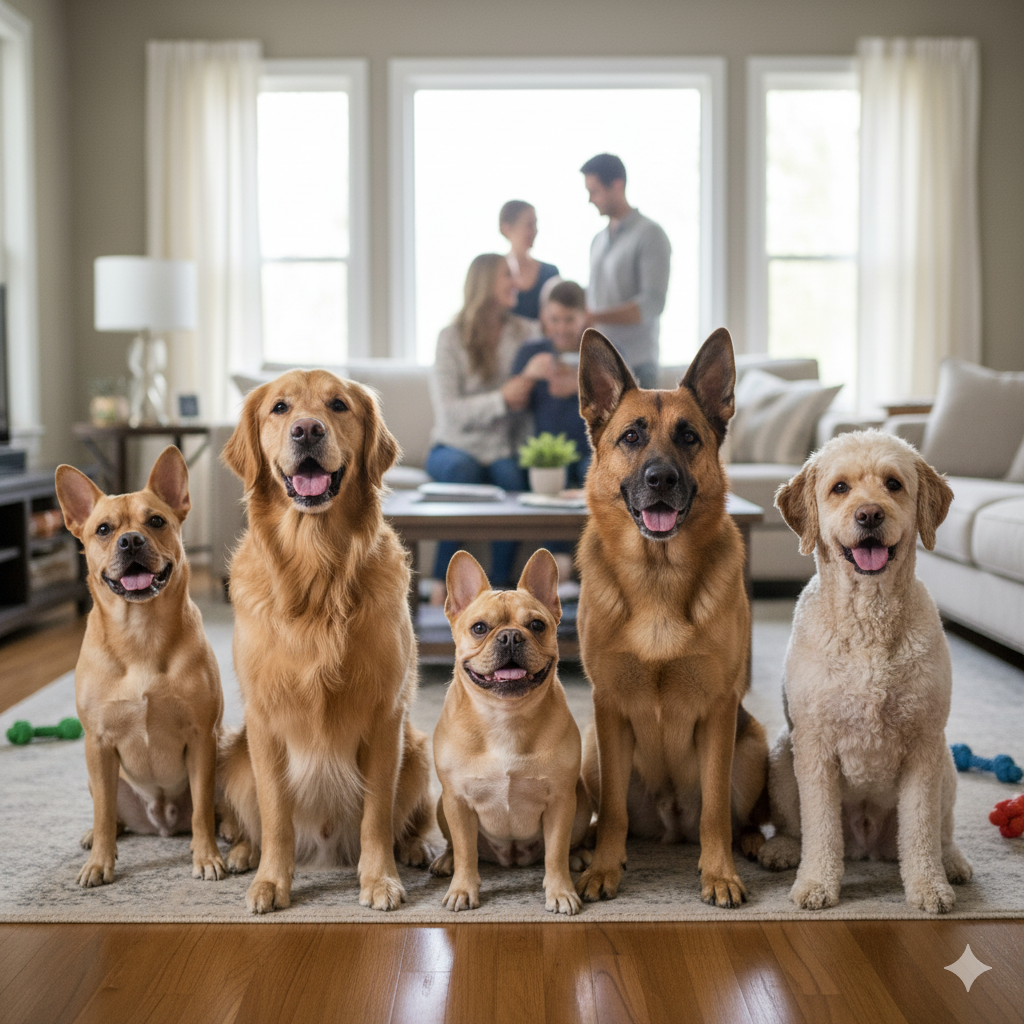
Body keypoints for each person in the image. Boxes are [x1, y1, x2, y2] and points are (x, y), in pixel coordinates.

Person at [426, 253, 550, 599]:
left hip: (501, 447)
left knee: (510, 477)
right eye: (507, 276)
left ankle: (501, 590)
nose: (517, 283)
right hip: (453, 446)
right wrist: (502, 399)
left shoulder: (525, 332)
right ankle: (443, 586)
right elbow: (449, 413)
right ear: (484, 284)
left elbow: (560, 336)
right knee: (462, 471)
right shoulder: (450, 338)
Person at [580, 153, 671, 389]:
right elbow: (597, 292)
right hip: (601, 363)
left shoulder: (650, 234)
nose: (590, 199)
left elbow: (652, 303)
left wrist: (596, 316)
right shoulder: (598, 240)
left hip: (637, 363)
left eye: (595, 191)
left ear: (617, 185)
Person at [511, 280, 591, 488]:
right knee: (516, 472)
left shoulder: (601, 353)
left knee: (592, 472)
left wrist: (579, 385)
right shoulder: (531, 352)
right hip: (545, 453)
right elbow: (513, 405)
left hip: (591, 451)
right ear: (544, 317)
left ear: (584, 316)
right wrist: (529, 375)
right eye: (555, 319)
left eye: (569, 319)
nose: (561, 328)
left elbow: (625, 398)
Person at [500, 200, 560, 321]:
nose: (535, 230)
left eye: (535, 224)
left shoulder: (550, 273)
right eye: (529, 224)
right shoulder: (493, 274)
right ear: (506, 229)